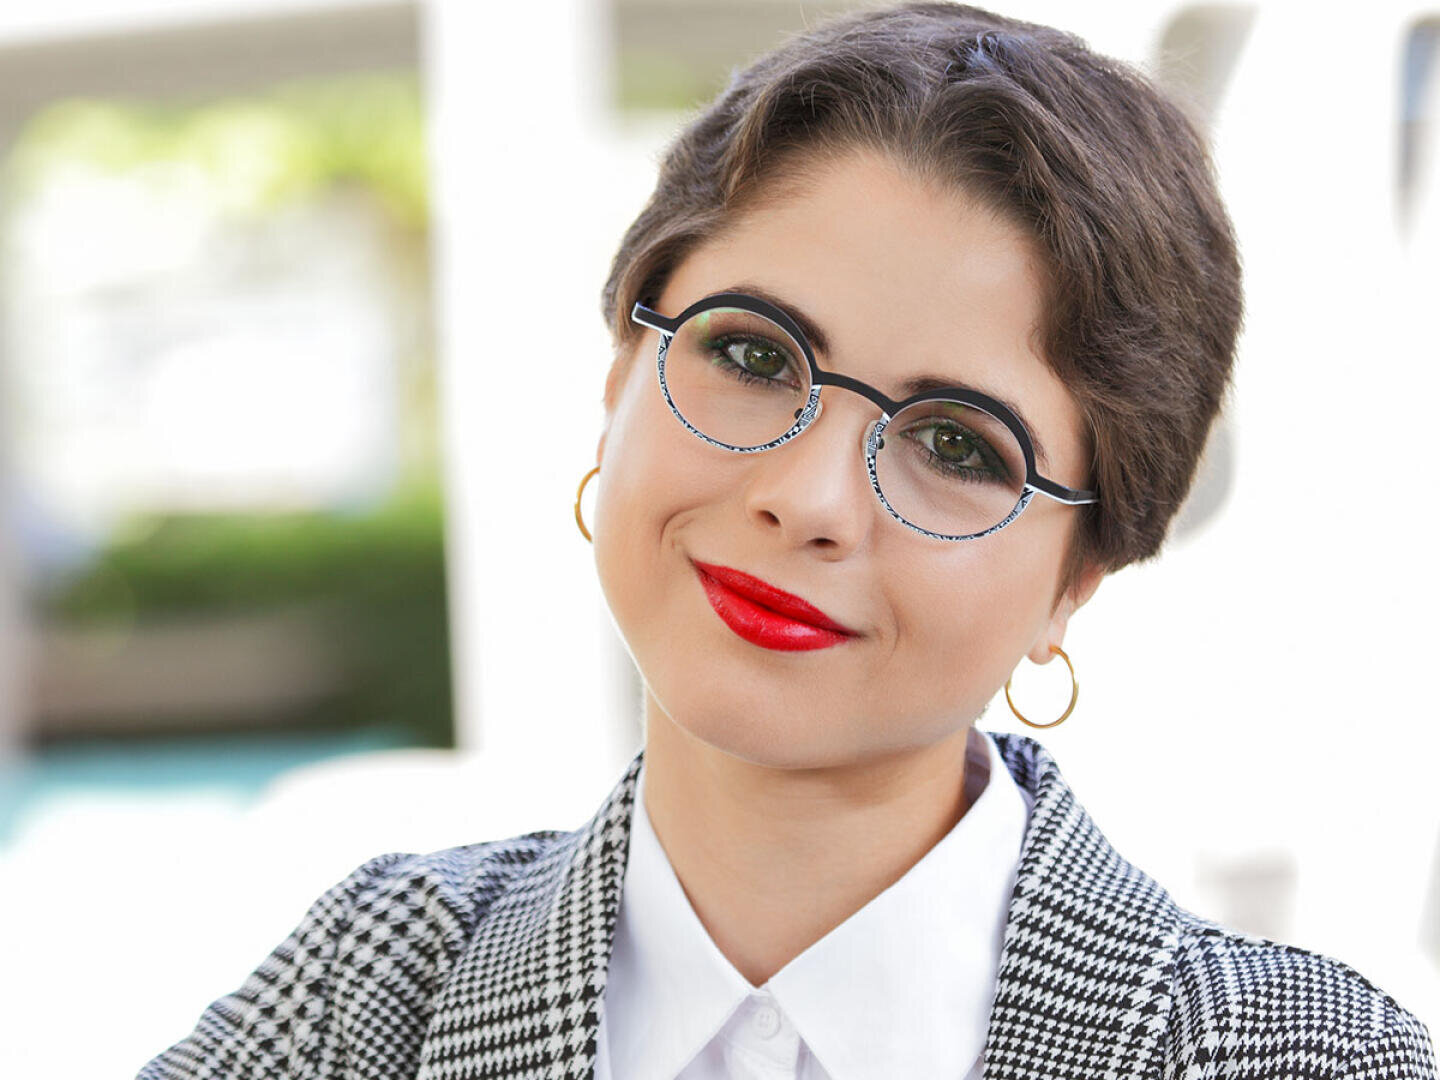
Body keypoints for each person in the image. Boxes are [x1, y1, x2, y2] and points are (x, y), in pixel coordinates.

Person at [138, 3, 1437, 1078]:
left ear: (1076, 582)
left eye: (957, 444)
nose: (811, 498)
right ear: (620, 376)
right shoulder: (364, 999)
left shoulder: (1295, 1058)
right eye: (756, 356)